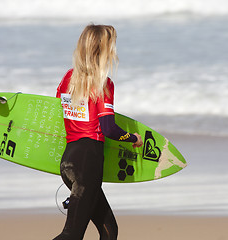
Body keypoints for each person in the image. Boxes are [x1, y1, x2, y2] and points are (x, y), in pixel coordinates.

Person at [53, 24, 143, 240]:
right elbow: (109, 128)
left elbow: (59, 112)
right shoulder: (103, 84)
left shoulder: (68, 79)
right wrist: (133, 138)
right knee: (72, 235)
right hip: (88, 164)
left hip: (69, 162)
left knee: (110, 230)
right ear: (104, 50)